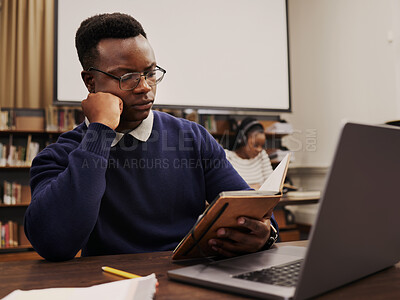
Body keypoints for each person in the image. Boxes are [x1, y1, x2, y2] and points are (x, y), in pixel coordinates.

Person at [24, 13, 278, 261]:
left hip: (187, 278)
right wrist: (99, 132)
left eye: (150, 72)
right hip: (113, 285)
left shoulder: (192, 137)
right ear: (91, 82)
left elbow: (254, 211)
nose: (145, 86)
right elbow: (54, 244)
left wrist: (264, 235)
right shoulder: (60, 155)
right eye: (128, 77)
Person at [225, 118, 273, 190]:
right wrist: (251, 187)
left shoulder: (262, 155)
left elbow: (271, 184)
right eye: (255, 145)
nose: (259, 150)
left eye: (262, 146)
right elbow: (225, 187)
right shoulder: (227, 156)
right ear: (242, 140)